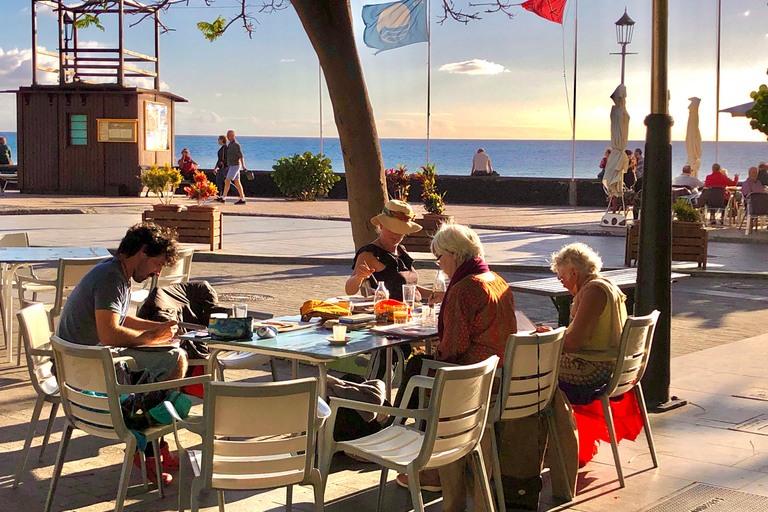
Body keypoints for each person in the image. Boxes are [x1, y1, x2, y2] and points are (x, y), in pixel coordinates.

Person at [394, 222, 517, 512]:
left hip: (470, 383)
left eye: (439, 258)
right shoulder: (497, 280)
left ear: (455, 255)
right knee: (421, 367)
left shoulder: (463, 289)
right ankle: (416, 445)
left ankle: (404, 435)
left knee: (418, 369)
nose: (440, 265)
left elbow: (453, 348)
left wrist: (434, 353)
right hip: (498, 375)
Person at [57, 222, 185, 484]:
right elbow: (109, 334)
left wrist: (159, 329)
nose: (158, 272)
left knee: (168, 351)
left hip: (80, 364)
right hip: (88, 372)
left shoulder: (113, 270)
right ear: (143, 251)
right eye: (158, 263)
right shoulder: (111, 278)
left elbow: (118, 318)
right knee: (176, 359)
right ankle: (147, 445)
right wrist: (151, 338)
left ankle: (152, 445)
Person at [346, 200, 424, 302]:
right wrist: (359, 277)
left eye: (400, 230)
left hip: (412, 310)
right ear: (381, 225)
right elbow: (349, 290)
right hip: (387, 313)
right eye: (392, 229)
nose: (395, 235)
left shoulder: (401, 250)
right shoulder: (369, 253)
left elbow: (411, 288)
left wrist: (440, 294)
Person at [216, 129, 247, 205]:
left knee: (227, 180)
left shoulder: (236, 145)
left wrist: (243, 166)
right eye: (227, 135)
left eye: (229, 135)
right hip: (232, 165)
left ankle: (223, 197)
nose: (228, 137)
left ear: (233, 136)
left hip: (235, 165)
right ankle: (242, 198)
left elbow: (241, 156)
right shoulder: (230, 145)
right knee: (237, 182)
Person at [212, 135, 228, 200]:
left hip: (224, 168)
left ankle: (239, 193)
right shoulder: (222, 148)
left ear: (222, 140)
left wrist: (223, 163)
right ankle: (219, 196)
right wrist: (215, 167)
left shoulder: (225, 148)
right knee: (219, 181)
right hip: (221, 167)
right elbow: (219, 159)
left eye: (219, 139)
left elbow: (225, 158)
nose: (218, 141)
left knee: (224, 181)